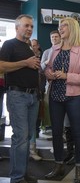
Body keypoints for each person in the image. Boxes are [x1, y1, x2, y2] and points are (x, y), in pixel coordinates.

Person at [44, 17, 80, 183]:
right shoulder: (54, 48)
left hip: (74, 97)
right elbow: (48, 67)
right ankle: (58, 165)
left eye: (63, 26)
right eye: (59, 26)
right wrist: (48, 73)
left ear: (72, 28)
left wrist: (66, 76)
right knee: (56, 133)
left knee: (78, 133)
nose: (60, 28)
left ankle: (79, 168)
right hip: (55, 96)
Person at [0, 14, 41, 183]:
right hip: (17, 96)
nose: (30, 29)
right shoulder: (9, 44)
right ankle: (16, 178)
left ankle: (23, 173)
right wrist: (25, 63)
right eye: (26, 26)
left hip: (33, 97)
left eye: (31, 26)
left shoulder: (30, 47)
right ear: (17, 27)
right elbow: (1, 66)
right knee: (20, 137)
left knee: (28, 136)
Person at [29, 39, 44, 161]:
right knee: (22, 127)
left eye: (33, 46)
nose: (32, 48)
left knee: (33, 124)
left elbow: (40, 77)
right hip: (20, 94)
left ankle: (32, 150)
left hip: (36, 94)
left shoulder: (39, 59)